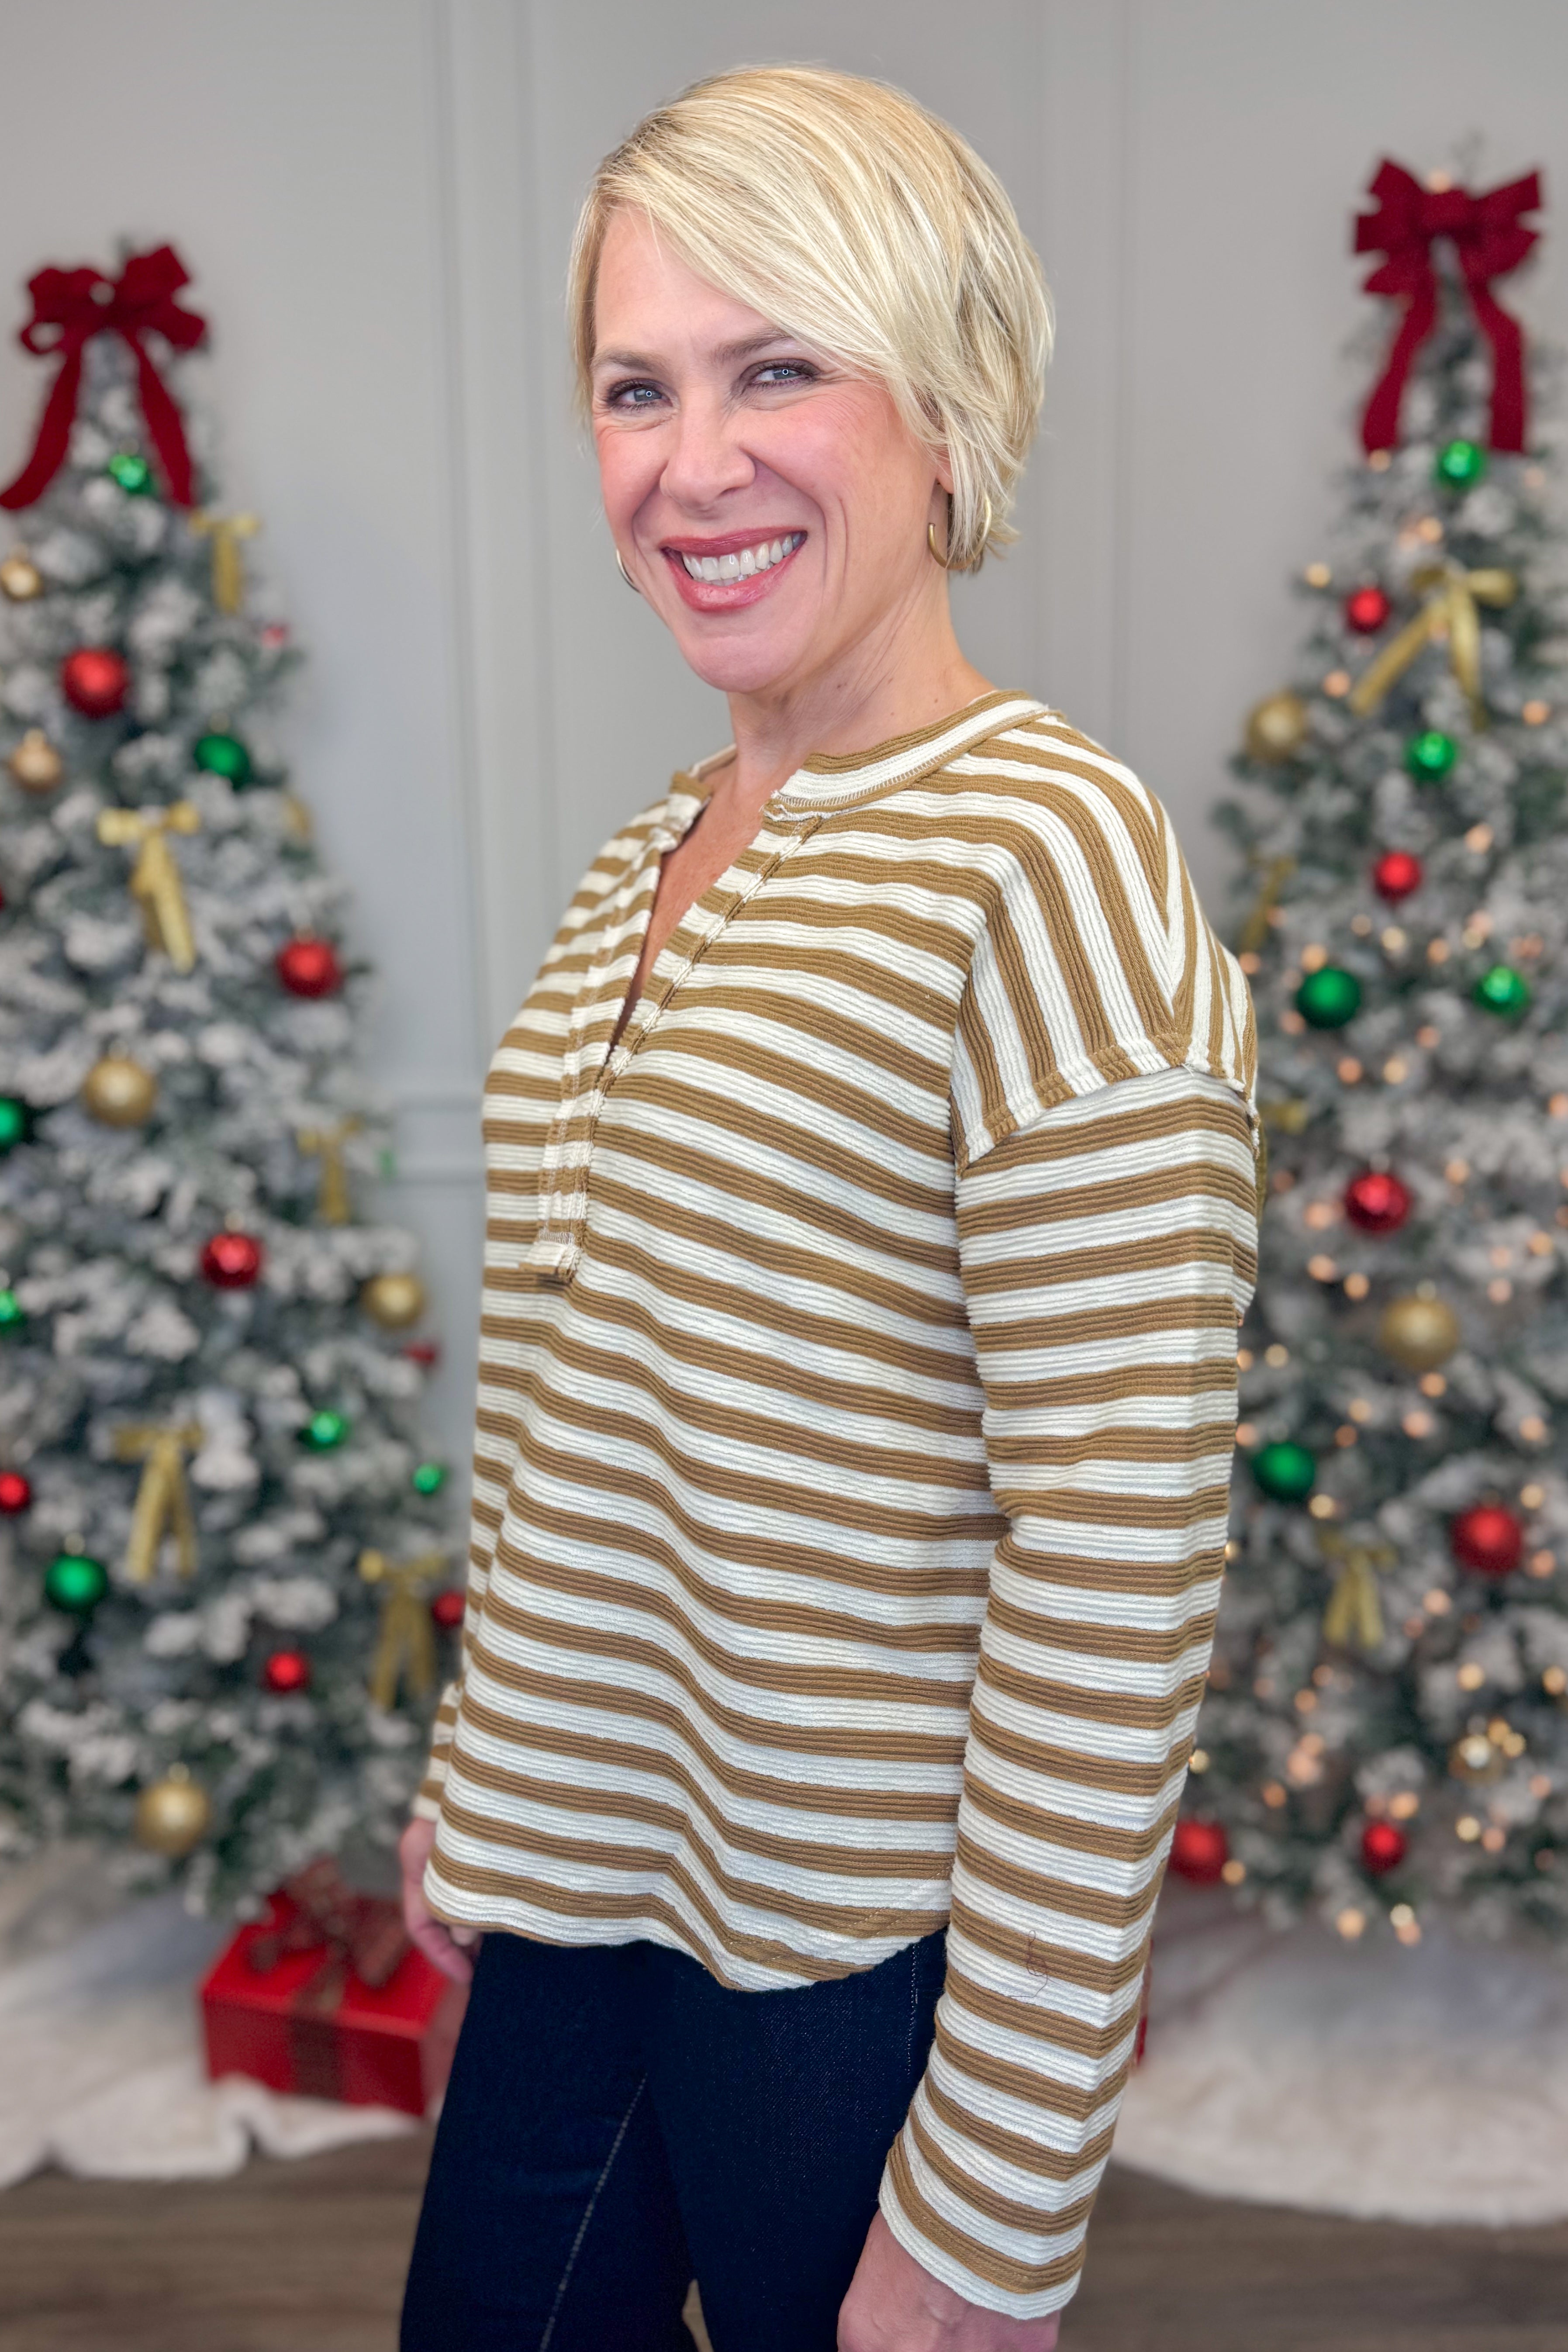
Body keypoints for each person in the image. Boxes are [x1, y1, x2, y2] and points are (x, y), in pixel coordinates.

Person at [398, 63, 1258, 2352]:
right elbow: (584, 1415)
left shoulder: (1041, 858)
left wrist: (990, 2199)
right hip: (592, 1885)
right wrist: (494, 1787)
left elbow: (1116, 1552)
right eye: (634, 386)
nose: (693, 461)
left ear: (947, 406)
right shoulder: (633, 871)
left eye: (777, 366)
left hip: (853, 1951)